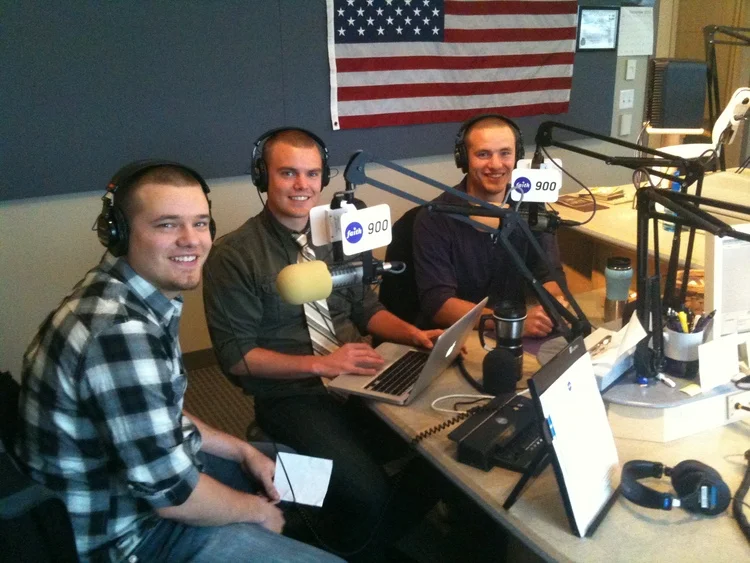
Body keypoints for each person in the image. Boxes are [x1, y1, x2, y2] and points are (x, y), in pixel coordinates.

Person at [15, 161, 340, 563]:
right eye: (167, 224)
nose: (191, 240)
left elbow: (162, 413)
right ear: (118, 233)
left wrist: (242, 451)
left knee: (297, 474)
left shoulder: (126, 293)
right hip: (132, 537)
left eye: (200, 223)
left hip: (157, 482)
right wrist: (256, 513)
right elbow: (174, 497)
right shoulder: (120, 334)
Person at [202, 128, 444, 561]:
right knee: (368, 493)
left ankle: (361, 535)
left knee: (440, 452)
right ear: (262, 176)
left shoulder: (337, 235)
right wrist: (323, 364)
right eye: (288, 173)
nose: (302, 185)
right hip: (294, 396)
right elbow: (237, 358)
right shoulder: (234, 255)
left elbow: (366, 309)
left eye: (312, 173)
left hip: (359, 375)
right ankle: (352, 543)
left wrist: (413, 334)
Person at [412, 114, 567, 337]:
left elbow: (550, 275)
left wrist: (551, 307)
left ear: (517, 156)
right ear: (463, 159)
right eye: (483, 154)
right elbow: (438, 304)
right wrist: (511, 323)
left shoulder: (531, 209)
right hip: (460, 338)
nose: (495, 165)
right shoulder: (435, 218)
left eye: (505, 153)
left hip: (517, 333)